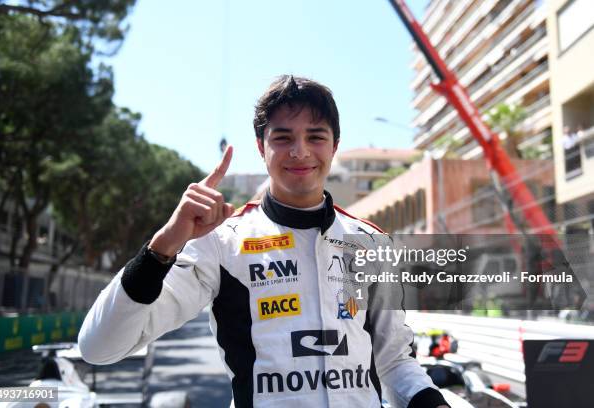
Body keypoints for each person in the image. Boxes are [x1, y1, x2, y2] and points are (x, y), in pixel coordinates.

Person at [78, 75, 449, 408]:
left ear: (334, 146)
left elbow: (396, 363)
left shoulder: (370, 243)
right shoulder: (221, 243)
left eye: (315, 137)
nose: (300, 151)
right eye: (283, 137)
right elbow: (99, 347)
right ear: (261, 147)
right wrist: (161, 248)